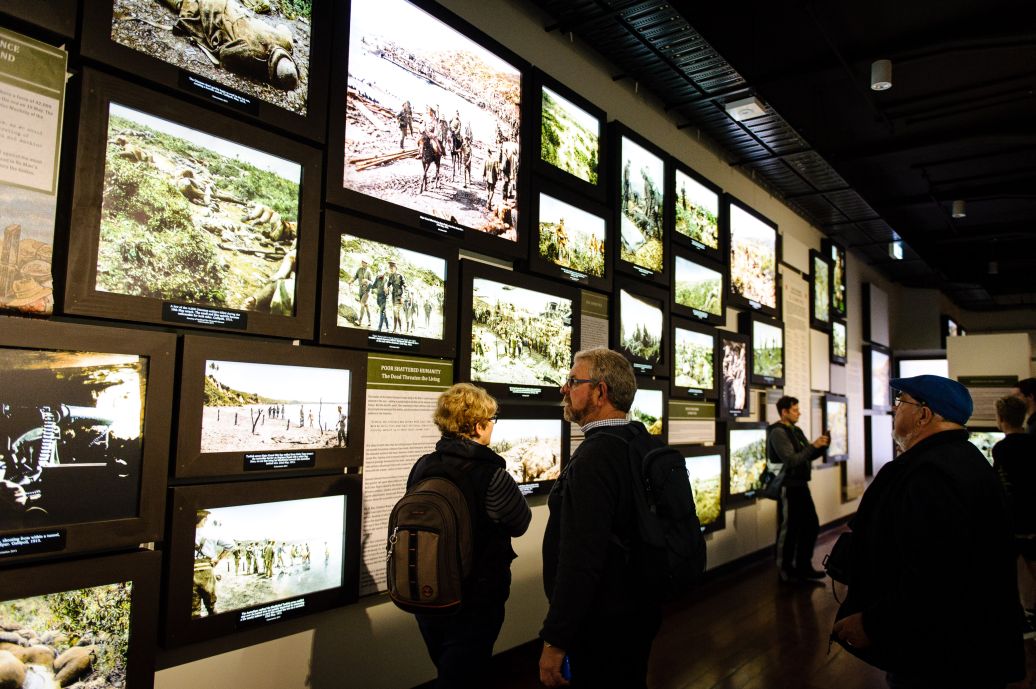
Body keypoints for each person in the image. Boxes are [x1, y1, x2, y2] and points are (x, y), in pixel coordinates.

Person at [831, 375, 1024, 689]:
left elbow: (935, 572)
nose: (895, 410)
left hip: (940, 657)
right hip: (967, 647)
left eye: (900, 401)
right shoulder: (966, 460)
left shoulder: (931, 473)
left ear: (923, 414)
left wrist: (873, 624)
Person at [539, 347, 662, 688]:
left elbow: (581, 558)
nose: (564, 388)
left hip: (602, 623)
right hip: (640, 610)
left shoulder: (595, 458)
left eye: (573, 381)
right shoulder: (642, 442)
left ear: (600, 392)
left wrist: (555, 639)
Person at [411, 383, 531, 689]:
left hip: (429, 590)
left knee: (448, 668)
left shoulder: (422, 466)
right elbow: (520, 523)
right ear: (478, 426)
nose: (492, 426)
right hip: (476, 597)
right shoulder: (493, 475)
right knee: (465, 673)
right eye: (491, 420)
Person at [160, 0, 300, 90]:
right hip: (218, 12)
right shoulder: (253, 52)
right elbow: (225, 55)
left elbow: (283, 27)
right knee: (187, 6)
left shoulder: (285, 42)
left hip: (231, 8)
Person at [767, 395, 829, 582]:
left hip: (801, 485)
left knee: (811, 525)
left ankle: (803, 566)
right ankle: (785, 571)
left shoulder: (796, 430)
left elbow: (806, 455)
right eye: (795, 410)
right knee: (789, 530)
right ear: (784, 412)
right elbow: (791, 460)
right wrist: (813, 446)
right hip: (788, 486)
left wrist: (821, 447)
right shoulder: (777, 432)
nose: (798, 413)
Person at [993, 395, 1036, 637]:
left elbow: (1001, 484)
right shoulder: (1033, 443)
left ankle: (1021, 616)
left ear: (1001, 419)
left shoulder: (1002, 448)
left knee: (1012, 572)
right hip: (1033, 515)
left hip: (1013, 518)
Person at [193, 509, 234, 617]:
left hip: (190, 571)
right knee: (211, 606)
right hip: (206, 570)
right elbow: (230, 545)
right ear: (204, 520)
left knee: (194, 610)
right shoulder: (212, 534)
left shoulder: (183, 533)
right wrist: (218, 559)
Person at [386, 261, 406, 333]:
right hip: (393, 297)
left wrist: (403, 297)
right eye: (390, 268)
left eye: (392, 268)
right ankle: (400, 329)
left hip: (399, 297)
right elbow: (388, 284)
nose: (391, 269)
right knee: (397, 314)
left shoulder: (400, 276)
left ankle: (395, 329)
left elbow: (405, 286)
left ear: (395, 268)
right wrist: (386, 287)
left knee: (396, 312)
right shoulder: (390, 276)